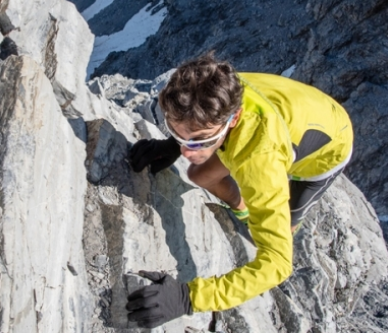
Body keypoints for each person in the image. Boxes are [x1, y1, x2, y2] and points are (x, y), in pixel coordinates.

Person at [125, 53, 354, 328]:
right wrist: (172, 144)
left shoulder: (259, 161)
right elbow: (197, 123)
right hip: (305, 110)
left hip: (327, 150)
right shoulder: (215, 92)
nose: (187, 150)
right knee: (198, 173)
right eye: (177, 133)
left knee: (283, 228)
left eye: (199, 140)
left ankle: (267, 220)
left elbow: (278, 264)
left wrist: (188, 298)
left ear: (233, 121)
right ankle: (244, 209)